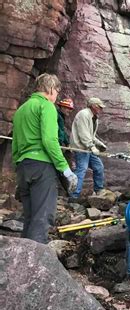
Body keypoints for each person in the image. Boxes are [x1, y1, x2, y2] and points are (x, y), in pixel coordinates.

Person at [12, 73, 77, 244]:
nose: (56, 96)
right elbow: (49, 140)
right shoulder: (46, 106)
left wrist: (18, 167)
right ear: (50, 89)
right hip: (42, 167)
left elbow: (15, 144)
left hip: (23, 166)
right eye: (56, 91)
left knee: (29, 218)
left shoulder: (22, 109)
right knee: (42, 218)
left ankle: (20, 261)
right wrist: (65, 168)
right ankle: (34, 265)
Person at [70, 97, 107, 199]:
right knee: (81, 170)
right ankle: (74, 196)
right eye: (99, 107)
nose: (101, 109)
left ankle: (98, 189)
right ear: (94, 106)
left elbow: (91, 135)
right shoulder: (84, 114)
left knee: (98, 167)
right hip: (81, 148)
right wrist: (91, 146)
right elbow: (83, 134)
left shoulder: (94, 118)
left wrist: (99, 144)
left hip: (88, 148)